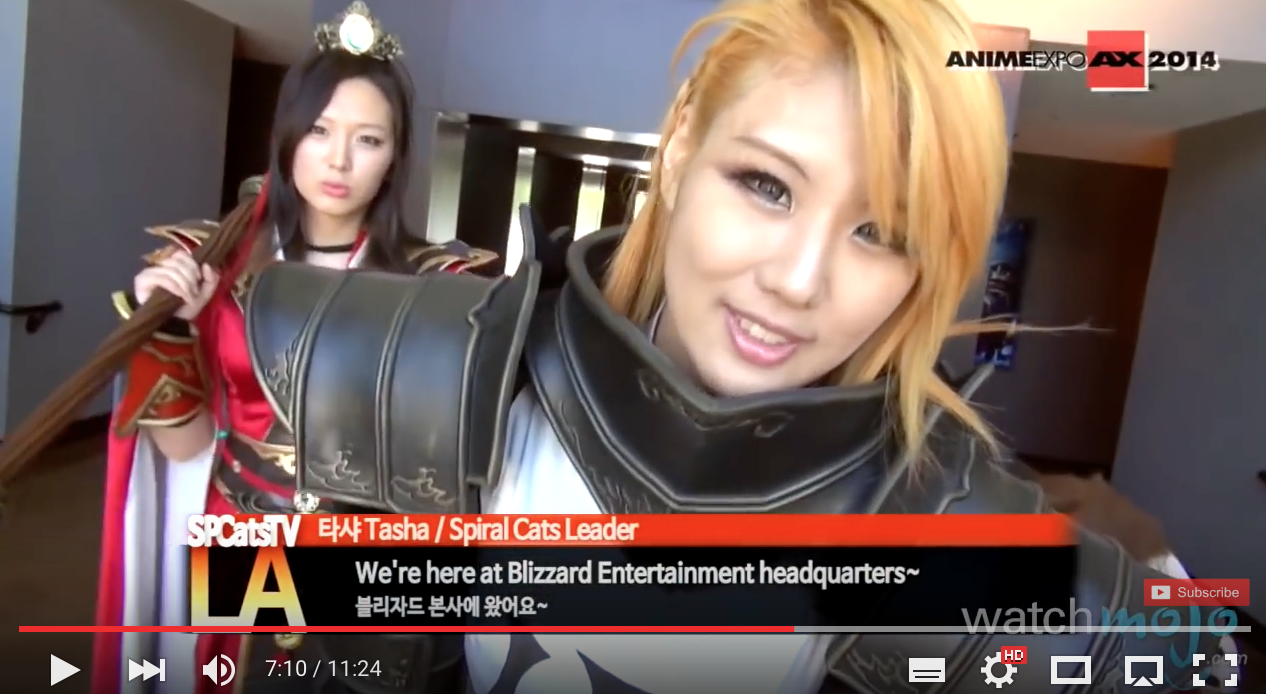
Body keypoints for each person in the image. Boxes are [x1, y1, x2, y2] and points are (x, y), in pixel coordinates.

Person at [242, 0, 1235, 692]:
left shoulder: (938, 523)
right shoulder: (439, 392)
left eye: (881, 232)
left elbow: (1195, 653)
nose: (799, 279)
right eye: (767, 185)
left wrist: (1147, 578)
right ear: (681, 147)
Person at [90, 4, 497, 694]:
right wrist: (169, 328)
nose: (339, 160)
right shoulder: (220, 264)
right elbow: (189, 448)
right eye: (319, 130)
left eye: (369, 139)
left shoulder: (433, 286)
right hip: (238, 536)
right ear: (287, 136)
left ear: (395, 156)